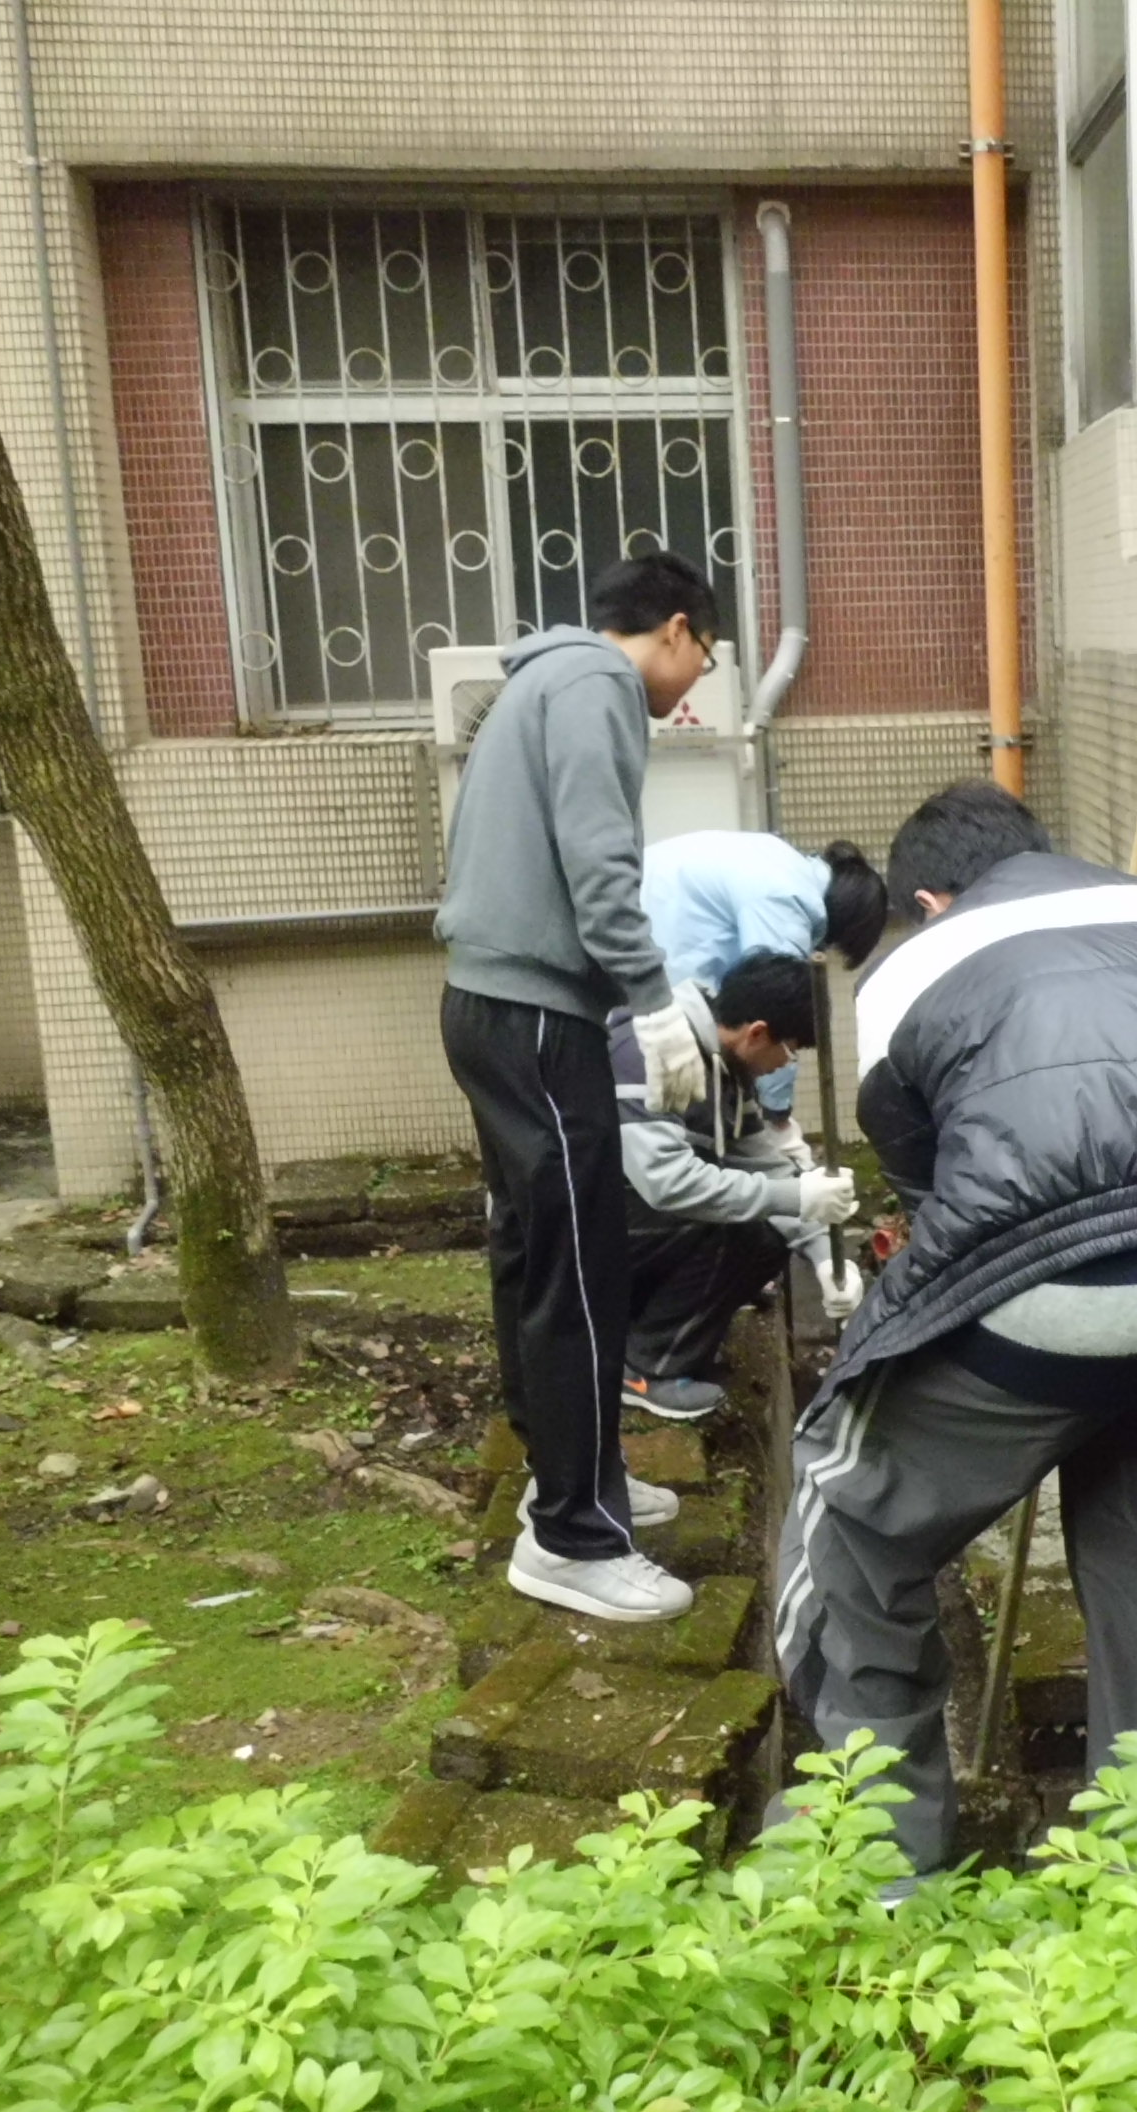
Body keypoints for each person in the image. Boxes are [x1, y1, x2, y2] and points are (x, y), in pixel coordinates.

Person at [775, 780, 1137, 1885]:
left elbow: (932, 1195)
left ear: (928, 901)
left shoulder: (909, 973)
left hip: (1042, 1286)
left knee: (852, 1526)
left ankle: (880, 1876)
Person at [437, 550, 724, 1627]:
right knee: (580, 1271)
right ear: (678, 629)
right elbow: (601, 867)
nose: (692, 685)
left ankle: (570, 1478)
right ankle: (573, 1537)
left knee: (532, 1259)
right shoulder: (600, 682)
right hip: (538, 1020)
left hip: (486, 1006)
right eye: (703, 659)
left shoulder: (541, 679)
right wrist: (653, 1002)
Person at [608, 949, 862, 1422]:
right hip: (582, 1229)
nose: (786, 1064)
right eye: (790, 1050)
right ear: (758, 1033)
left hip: (635, 1225)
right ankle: (644, 1369)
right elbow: (667, 1183)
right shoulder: (649, 1049)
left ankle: (658, 1337)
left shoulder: (728, 1070)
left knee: (764, 1233)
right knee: (737, 1224)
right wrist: (795, 1197)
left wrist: (827, 1257)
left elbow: (764, 1164)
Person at [641, 832, 891, 1164]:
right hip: (658, 990)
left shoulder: (779, 859)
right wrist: (777, 1117)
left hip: (641, 945)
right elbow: (775, 1016)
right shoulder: (789, 897)